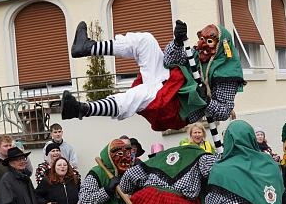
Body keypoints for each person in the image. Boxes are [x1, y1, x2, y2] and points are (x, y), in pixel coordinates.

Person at [61, 21, 244, 130]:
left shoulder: (225, 74)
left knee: (141, 93)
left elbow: (224, 111)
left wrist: (205, 99)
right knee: (146, 40)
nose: (202, 45)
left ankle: (83, 109)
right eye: (201, 39)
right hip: (169, 82)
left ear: (221, 46)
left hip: (177, 107)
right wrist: (178, 42)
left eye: (209, 41)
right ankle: (87, 47)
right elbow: (169, 59)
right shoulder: (194, 53)